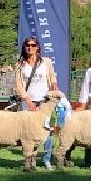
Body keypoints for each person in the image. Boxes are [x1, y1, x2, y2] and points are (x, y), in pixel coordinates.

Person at [14, 36, 58, 170]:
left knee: (47, 130)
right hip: (29, 102)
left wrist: (54, 85)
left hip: (45, 102)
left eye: (33, 45)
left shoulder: (46, 62)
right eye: (28, 45)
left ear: (37, 47)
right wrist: (27, 100)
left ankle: (46, 159)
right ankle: (30, 160)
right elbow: (19, 85)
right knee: (28, 133)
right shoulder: (20, 65)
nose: (30, 47)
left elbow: (52, 77)